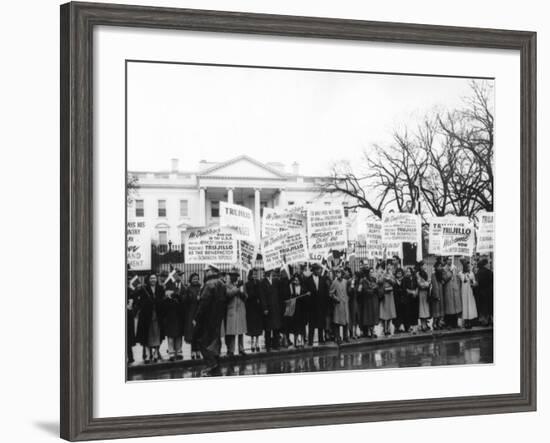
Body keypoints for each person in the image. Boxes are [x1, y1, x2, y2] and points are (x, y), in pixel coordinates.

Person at [193, 264, 227, 376]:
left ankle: (211, 364)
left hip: (207, 318)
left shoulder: (209, 284)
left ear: (212, 271)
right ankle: (216, 364)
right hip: (218, 317)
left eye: (207, 271)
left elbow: (204, 304)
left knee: (202, 341)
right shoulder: (222, 283)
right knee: (215, 341)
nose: (205, 273)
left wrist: (197, 318)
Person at [135, 273, 165, 363]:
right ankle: (148, 355)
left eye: (154, 278)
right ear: (148, 279)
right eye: (151, 278)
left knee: (157, 335)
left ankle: (156, 353)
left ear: (157, 279)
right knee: (147, 336)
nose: (153, 280)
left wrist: (157, 302)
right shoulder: (144, 289)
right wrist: (138, 289)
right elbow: (138, 301)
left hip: (157, 316)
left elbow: (163, 301)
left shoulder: (160, 288)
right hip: (146, 317)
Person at [305, 263, 330, 346]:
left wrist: (326, 305)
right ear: (314, 270)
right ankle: (310, 341)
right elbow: (305, 292)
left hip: (321, 306)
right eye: (318, 269)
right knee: (311, 324)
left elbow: (326, 293)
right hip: (312, 307)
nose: (320, 271)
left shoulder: (323, 279)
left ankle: (321, 339)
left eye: (320, 269)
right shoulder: (308, 280)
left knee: (321, 323)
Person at [224, 268, 248, 356]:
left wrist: (242, 293)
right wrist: (237, 288)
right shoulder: (227, 285)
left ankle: (241, 348)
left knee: (241, 331)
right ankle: (231, 350)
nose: (234, 277)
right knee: (232, 332)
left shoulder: (241, 284)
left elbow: (246, 297)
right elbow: (228, 294)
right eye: (232, 276)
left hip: (240, 309)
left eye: (236, 276)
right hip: (232, 310)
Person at [162, 272, 185, 361]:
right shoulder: (169, 286)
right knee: (171, 334)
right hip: (171, 314)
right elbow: (164, 301)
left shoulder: (183, 286)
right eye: (178, 275)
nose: (179, 276)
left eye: (180, 275)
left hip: (180, 314)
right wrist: (169, 297)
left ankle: (179, 351)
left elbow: (185, 299)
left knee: (179, 334)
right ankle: (171, 352)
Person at [259, 270, 283, 351]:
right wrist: (264, 308)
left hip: (275, 307)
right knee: (268, 329)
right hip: (268, 309)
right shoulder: (262, 282)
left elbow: (279, 292)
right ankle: (268, 346)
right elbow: (262, 296)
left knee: (276, 327)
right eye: (268, 272)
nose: (269, 273)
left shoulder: (275, 281)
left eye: (270, 271)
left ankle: (276, 345)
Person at [284, 273, 309, 347]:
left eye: (297, 280)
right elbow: (290, 297)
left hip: (302, 310)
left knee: (302, 326)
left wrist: (306, 295)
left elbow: (306, 299)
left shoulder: (303, 288)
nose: (296, 281)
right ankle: (295, 341)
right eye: (295, 280)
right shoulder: (292, 288)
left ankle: (302, 340)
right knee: (295, 326)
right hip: (295, 310)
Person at [182, 273, 201, 360]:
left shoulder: (201, 288)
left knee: (199, 333)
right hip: (191, 313)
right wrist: (190, 297)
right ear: (190, 280)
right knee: (193, 333)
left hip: (199, 312)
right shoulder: (188, 289)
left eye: (197, 279)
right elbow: (184, 301)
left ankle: (198, 350)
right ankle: (193, 351)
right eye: (194, 279)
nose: (195, 280)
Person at [329, 268, 350, 344]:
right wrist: (336, 298)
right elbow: (331, 293)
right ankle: (337, 337)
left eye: (339, 273)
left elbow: (348, 291)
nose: (338, 274)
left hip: (345, 304)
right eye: (337, 273)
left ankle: (345, 336)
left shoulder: (345, 281)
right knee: (337, 322)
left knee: (346, 322)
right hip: (338, 305)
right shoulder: (334, 282)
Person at [245, 269, 263, 352]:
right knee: (252, 327)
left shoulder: (259, 283)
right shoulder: (248, 284)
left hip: (257, 308)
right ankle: (252, 343)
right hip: (251, 308)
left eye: (256, 274)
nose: (255, 276)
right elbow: (249, 296)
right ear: (250, 275)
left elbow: (261, 295)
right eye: (253, 274)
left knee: (258, 327)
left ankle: (257, 343)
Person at [359, 267, 380, 338]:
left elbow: (377, 287)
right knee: (369, 316)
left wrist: (375, 288)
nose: (371, 273)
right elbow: (364, 290)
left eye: (372, 272)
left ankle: (372, 331)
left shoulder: (374, 279)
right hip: (368, 301)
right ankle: (369, 332)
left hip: (374, 300)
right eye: (370, 272)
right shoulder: (364, 280)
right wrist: (372, 290)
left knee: (374, 316)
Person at [442, 257, 462, 328]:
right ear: (446, 260)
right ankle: (448, 324)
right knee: (449, 308)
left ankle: (455, 323)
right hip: (448, 290)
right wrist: (450, 272)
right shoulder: (444, 269)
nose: (450, 261)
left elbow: (458, 278)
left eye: (451, 259)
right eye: (448, 259)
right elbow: (444, 278)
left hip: (455, 290)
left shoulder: (455, 268)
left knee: (455, 307)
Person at [459, 259, 478, 329]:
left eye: (469, 266)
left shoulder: (472, 273)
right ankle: (465, 321)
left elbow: (474, 281)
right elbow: (463, 280)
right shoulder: (460, 273)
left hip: (470, 291)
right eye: (467, 266)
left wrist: (474, 283)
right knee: (465, 305)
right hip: (464, 291)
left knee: (470, 305)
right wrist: (466, 275)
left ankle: (470, 321)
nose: (469, 267)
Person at [378, 263, 397, 336]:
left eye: (390, 265)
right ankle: (384, 327)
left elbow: (394, 283)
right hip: (384, 294)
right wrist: (384, 277)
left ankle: (388, 327)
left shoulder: (392, 274)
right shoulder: (382, 273)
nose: (389, 267)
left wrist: (390, 279)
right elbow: (379, 281)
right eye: (388, 265)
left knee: (389, 311)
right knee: (384, 312)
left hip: (390, 294)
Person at [476, 257, 494, 326]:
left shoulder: (478, 272)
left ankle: (484, 321)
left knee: (483, 307)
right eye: (488, 263)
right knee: (489, 306)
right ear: (485, 264)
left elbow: (477, 282)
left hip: (481, 292)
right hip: (489, 292)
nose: (489, 264)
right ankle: (490, 320)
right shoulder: (489, 272)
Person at [126, 274, 139, 364]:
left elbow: (136, 303)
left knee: (128, 338)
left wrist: (133, 311)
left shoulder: (130, 290)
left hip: (128, 316)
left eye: (128, 280)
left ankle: (130, 357)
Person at [402, 267, 419, 333]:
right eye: (407, 271)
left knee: (414, 312)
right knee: (408, 312)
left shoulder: (414, 278)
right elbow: (405, 288)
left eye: (409, 271)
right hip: (408, 298)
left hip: (414, 298)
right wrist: (412, 292)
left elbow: (417, 286)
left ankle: (414, 326)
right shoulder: (404, 279)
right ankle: (408, 327)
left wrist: (416, 292)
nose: (408, 273)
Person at [430, 259, 445, 330]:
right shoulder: (434, 275)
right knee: (436, 310)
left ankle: (439, 322)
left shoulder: (441, 274)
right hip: (436, 295)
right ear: (436, 267)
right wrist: (436, 295)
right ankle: (434, 323)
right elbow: (435, 286)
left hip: (441, 294)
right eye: (439, 266)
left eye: (441, 266)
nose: (440, 268)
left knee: (440, 309)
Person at [416, 261, 431, 332]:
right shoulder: (418, 274)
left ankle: (425, 323)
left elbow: (429, 282)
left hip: (426, 293)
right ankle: (422, 324)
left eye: (425, 265)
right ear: (420, 266)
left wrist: (426, 284)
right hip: (421, 293)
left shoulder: (426, 273)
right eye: (423, 265)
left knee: (426, 309)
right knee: (422, 308)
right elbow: (420, 284)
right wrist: (426, 284)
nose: (424, 267)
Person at [393, 268, 408, 333]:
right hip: (397, 300)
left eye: (400, 273)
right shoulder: (394, 281)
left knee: (404, 314)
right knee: (397, 314)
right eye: (398, 273)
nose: (399, 274)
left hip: (403, 299)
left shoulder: (404, 280)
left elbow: (405, 289)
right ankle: (397, 327)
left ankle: (404, 326)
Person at [346, 269, 360, 339]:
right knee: (352, 317)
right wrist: (352, 284)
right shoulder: (350, 281)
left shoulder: (358, 283)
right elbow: (349, 292)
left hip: (357, 301)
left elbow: (359, 292)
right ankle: (352, 333)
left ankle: (355, 332)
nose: (355, 278)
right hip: (352, 301)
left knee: (356, 317)